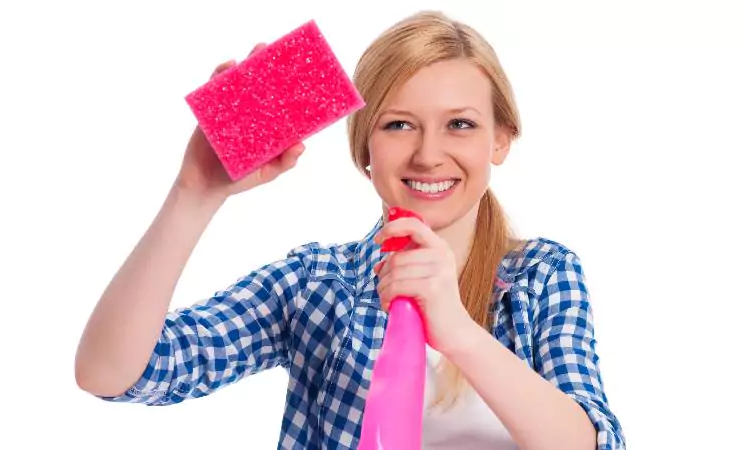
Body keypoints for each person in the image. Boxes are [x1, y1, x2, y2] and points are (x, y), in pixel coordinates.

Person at [75, 10, 625, 450]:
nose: (429, 154)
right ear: (365, 149)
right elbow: (113, 373)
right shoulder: (318, 283)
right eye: (398, 125)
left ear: (500, 140)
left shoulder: (542, 276)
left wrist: (455, 327)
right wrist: (194, 193)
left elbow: (594, 444)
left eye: (460, 124)